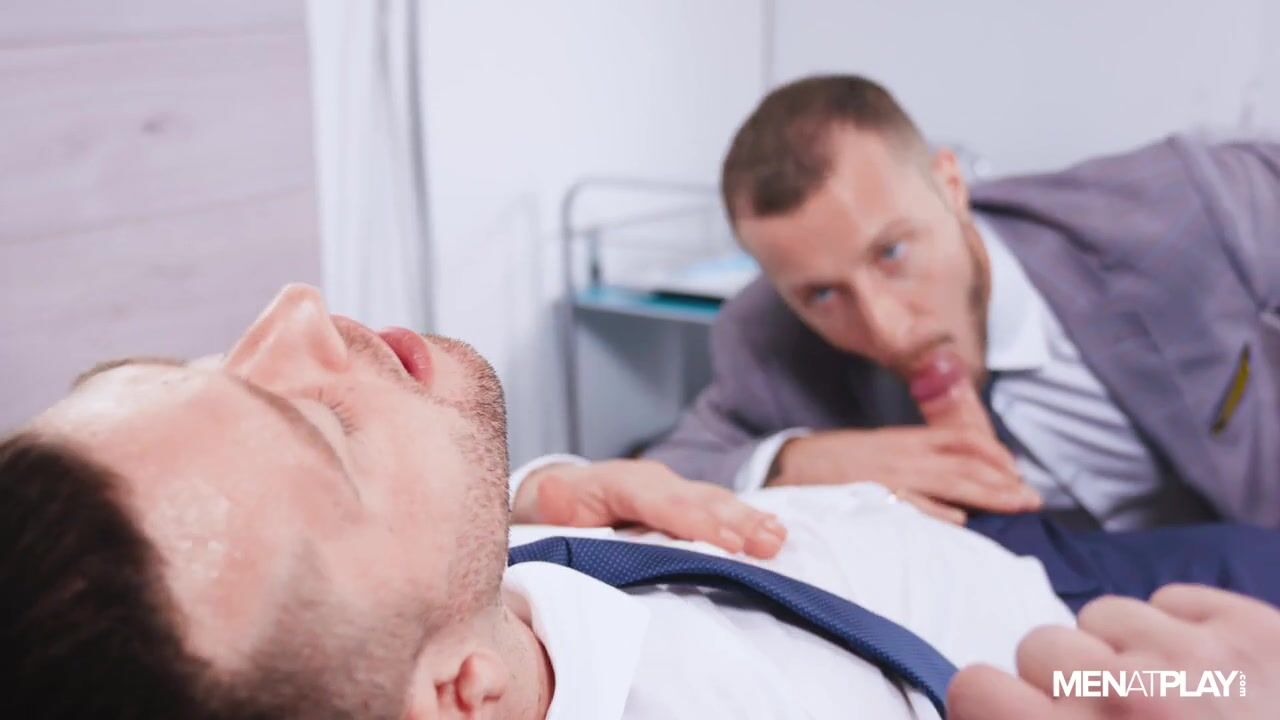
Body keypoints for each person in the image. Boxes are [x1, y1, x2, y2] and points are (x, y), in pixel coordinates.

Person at [3, 283, 1277, 719]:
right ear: (460, 696)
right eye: (317, 430)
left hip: (990, 545)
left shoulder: (419, 607)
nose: (293, 313)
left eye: (208, 366)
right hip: (1100, 659)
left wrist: (522, 496)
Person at [644, 74, 1280, 532]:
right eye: (823, 294)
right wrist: (800, 460)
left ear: (951, 186)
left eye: (891, 253)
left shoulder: (1182, 208)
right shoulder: (767, 336)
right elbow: (667, 469)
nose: (888, 330)